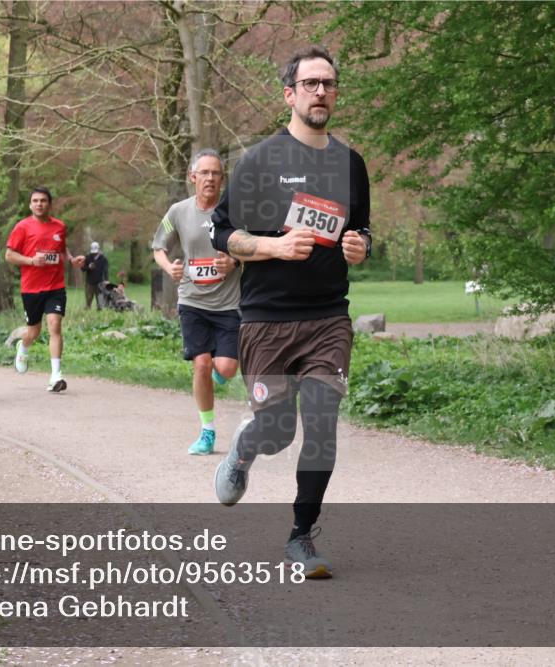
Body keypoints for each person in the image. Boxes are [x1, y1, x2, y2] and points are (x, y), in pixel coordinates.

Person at [210, 46, 372, 578]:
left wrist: (360, 247)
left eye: (328, 83)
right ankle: (244, 447)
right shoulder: (260, 161)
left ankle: (301, 536)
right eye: (310, 84)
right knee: (278, 432)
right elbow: (224, 234)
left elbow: (362, 230)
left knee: (322, 426)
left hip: (328, 317)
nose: (320, 91)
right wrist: (274, 247)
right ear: (290, 94)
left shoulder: (351, 164)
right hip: (267, 318)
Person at [152, 149, 241, 455]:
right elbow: (158, 246)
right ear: (192, 177)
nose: (210, 179)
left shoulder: (236, 211)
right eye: (204, 173)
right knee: (201, 364)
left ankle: (215, 377)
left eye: (216, 173)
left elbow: (254, 248)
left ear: (222, 178)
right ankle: (207, 431)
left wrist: (235, 262)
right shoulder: (177, 211)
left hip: (229, 303)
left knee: (226, 368)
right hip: (192, 301)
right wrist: (169, 267)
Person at [5, 187, 85, 392]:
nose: (39, 204)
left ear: (49, 204)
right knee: (34, 331)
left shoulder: (59, 226)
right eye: (35, 200)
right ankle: (23, 347)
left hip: (55, 286)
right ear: (30, 204)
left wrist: (72, 259)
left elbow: (61, 249)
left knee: (55, 325)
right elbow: (9, 255)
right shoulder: (22, 227)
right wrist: (31, 260)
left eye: (43, 200)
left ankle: (55, 375)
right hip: (31, 288)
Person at [82, 241, 109, 309]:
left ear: (99, 249)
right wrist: (89, 267)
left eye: (96, 252)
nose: (94, 253)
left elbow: (105, 270)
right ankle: (87, 313)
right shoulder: (88, 257)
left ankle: (99, 314)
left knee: (100, 303)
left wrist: (106, 280)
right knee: (88, 301)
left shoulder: (103, 259)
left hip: (100, 283)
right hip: (89, 283)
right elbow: (82, 269)